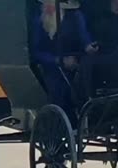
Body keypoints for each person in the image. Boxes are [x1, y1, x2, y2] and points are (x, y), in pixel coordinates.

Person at [31, 0, 98, 128]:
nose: (48, 7)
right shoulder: (38, 21)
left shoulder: (75, 17)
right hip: (50, 67)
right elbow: (36, 52)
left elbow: (84, 38)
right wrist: (57, 60)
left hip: (76, 62)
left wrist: (88, 47)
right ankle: (58, 127)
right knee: (58, 90)